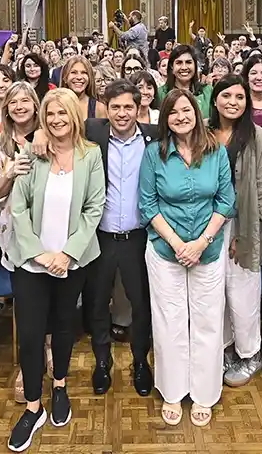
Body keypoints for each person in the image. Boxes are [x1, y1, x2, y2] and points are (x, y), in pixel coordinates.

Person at [5, 88, 105, 452]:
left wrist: (67, 253)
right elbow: (18, 208)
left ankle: (59, 384)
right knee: (31, 335)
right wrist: (40, 254)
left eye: (64, 114)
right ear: (43, 119)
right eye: (51, 115)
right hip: (32, 262)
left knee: (64, 327)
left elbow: (94, 208)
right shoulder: (34, 152)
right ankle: (33, 407)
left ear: (74, 117)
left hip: (72, 260)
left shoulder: (90, 156)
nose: (57, 120)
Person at [139, 88, 235, 428]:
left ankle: (204, 394)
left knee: (208, 321)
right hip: (166, 251)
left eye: (186, 110)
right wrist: (179, 243)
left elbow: (226, 201)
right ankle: (172, 390)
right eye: (173, 112)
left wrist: (201, 242)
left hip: (207, 251)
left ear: (197, 113)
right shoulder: (154, 154)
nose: (181, 117)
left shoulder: (216, 152)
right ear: (165, 118)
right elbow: (147, 204)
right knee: (170, 322)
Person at [82, 80, 157, 397]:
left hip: (139, 237)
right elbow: (49, 126)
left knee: (142, 305)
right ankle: (102, 362)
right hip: (100, 237)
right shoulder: (93, 132)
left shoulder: (154, 137)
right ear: (105, 108)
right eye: (115, 107)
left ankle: (141, 361)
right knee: (97, 304)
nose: (122, 113)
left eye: (128, 106)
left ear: (139, 107)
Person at [209, 75, 262, 388]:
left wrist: (245, 232)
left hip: (243, 223)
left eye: (240, 97)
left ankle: (250, 352)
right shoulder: (205, 133)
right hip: (207, 224)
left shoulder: (256, 136)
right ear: (215, 99)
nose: (233, 102)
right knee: (214, 289)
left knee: (243, 290)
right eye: (227, 96)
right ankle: (224, 348)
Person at [0, 81, 44, 404]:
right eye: (13, 102)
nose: (20, 106)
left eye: (25, 101)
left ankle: (47, 348)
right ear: (5, 109)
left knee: (50, 297)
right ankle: (27, 364)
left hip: (49, 231)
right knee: (25, 303)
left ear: (36, 105)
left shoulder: (50, 135)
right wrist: (9, 174)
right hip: (14, 235)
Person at [157, 44, 213, 118]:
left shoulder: (207, 91)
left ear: (195, 66)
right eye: (179, 63)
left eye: (188, 62)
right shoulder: (161, 93)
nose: (184, 67)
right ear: (171, 67)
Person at [60, 55, 103, 120]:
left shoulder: (99, 108)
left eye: (84, 72)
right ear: (65, 78)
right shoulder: (55, 105)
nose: (79, 77)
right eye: (74, 72)